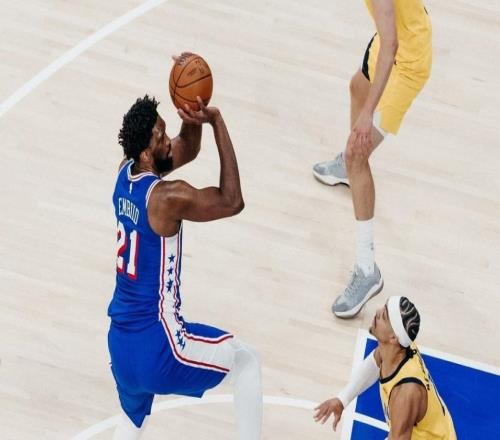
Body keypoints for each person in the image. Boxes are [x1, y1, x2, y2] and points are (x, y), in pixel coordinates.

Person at [108, 75, 262, 439]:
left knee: (132, 419)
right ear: (147, 153)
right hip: (160, 344)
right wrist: (217, 122)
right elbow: (232, 200)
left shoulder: (125, 173)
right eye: (161, 136)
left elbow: (186, 149)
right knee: (246, 361)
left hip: (120, 343)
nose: (168, 140)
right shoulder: (166, 198)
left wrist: (191, 114)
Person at [312, 0, 433, 318]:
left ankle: (367, 271)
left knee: (358, 154)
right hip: (391, 37)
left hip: (407, 60)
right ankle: (347, 167)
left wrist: (367, 115)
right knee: (357, 87)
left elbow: (392, 46)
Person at [314, 296, 456, 439]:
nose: (377, 312)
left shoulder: (405, 393)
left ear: (393, 337)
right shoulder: (396, 349)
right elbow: (375, 361)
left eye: (383, 316)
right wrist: (342, 399)